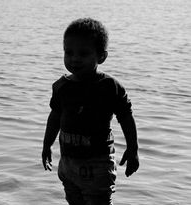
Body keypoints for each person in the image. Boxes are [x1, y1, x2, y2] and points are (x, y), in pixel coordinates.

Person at [42, 18, 139, 205]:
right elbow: (55, 118)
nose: (74, 59)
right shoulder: (61, 87)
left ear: (101, 57)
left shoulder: (109, 87)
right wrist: (47, 146)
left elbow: (126, 116)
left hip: (98, 165)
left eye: (83, 54)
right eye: (68, 53)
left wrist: (133, 148)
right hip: (68, 164)